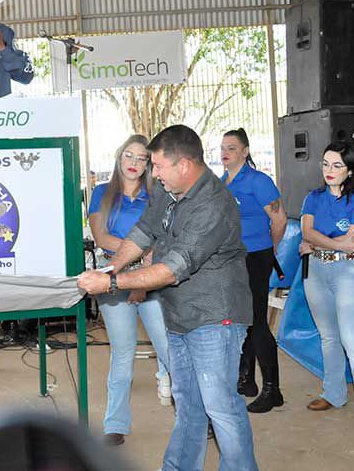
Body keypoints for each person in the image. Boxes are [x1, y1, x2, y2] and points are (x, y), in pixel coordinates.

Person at [78, 125, 258, 471]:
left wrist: (111, 283)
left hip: (215, 317)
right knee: (187, 404)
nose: (153, 173)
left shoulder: (213, 204)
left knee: (220, 407)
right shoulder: (167, 189)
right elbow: (144, 231)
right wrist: (111, 269)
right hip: (178, 314)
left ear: (184, 165)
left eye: (158, 166)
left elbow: (173, 268)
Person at [298, 141, 354, 435]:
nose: (329, 170)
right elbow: (307, 233)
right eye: (325, 164)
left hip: (350, 272)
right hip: (316, 271)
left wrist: (315, 244)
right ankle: (333, 393)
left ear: (350, 170)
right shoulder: (313, 198)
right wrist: (331, 243)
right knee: (329, 337)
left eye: (337, 165)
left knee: (353, 342)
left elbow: (352, 243)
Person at [87, 135, 171, 447]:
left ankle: (194, 413)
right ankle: (115, 424)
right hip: (112, 277)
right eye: (129, 156)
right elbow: (101, 237)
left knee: (168, 348)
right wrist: (135, 254)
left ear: (149, 164)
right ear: (119, 157)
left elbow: (165, 235)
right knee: (122, 352)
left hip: (151, 275)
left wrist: (143, 268)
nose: (134, 163)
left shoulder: (157, 192)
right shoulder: (101, 192)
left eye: (141, 158)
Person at [221, 128, 287, 413]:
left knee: (258, 321)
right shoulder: (222, 182)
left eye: (232, 148)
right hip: (231, 259)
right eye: (222, 148)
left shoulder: (259, 181)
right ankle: (246, 379)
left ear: (245, 151)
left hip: (256, 256)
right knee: (241, 319)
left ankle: (273, 390)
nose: (225, 153)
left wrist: (270, 248)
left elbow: (279, 220)